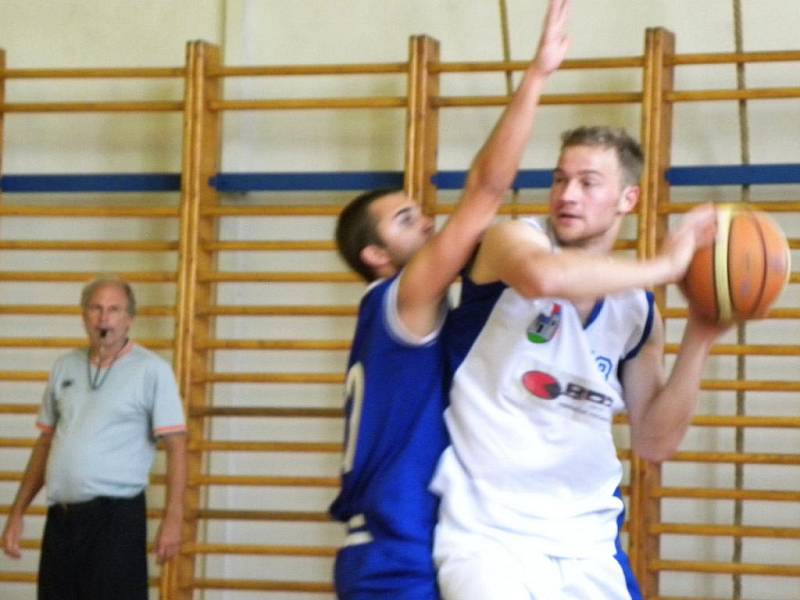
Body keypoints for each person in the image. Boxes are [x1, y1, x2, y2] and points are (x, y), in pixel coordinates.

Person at [327, 1, 572, 597]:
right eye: (409, 221)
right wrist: (536, 76)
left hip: (414, 543)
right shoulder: (402, 299)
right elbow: (487, 192)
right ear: (376, 258)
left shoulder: (414, 316)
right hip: (393, 552)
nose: (431, 225)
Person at [430, 125, 728, 599]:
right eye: (559, 179)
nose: (568, 195)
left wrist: (703, 332)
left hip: (586, 543)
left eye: (588, 183)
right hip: (489, 539)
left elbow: (654, 440)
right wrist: (666, 267)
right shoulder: (510, 242)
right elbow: (542, 277)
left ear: (627, 199)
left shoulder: (637, 310)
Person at [1, 275, 187, 600]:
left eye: (114, 310)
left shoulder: (152, 371)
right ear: (83, 315)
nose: (104, 318)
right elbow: (45, 443)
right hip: (63, 518)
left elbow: (177, 446)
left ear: (129, 319)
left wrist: (173, 518)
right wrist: (17, 513)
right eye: (96, 308)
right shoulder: (64, 366)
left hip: (116, 519)